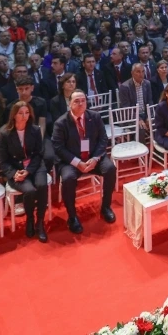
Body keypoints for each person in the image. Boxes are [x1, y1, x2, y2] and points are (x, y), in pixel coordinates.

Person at [51, 90, 116, 233]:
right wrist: (76, 162)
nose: (81, 104)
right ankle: (72, 216)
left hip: (93, 157)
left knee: (110, 168)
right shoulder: (60, 123)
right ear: (69, 104)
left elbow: (103, 139)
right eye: (76, 101)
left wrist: (95, 158)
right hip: (71, 161)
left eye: (83, 100)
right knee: (67, 178)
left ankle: (106, 207)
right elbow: (58, 148)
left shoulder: (95, 117)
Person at [0, 101, 48, 242]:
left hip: (35, 166)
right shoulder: (5, 133)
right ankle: (30, 220)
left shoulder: (35, 130)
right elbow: (3, 161)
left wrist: (28, 170)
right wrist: (14, 173)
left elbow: (39, 154)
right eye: (20, 113)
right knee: (30, 190)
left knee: (42, 185)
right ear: (13, 115)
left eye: (27, 113)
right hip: (16, 169)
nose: (24, 116)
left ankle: (40, 222)